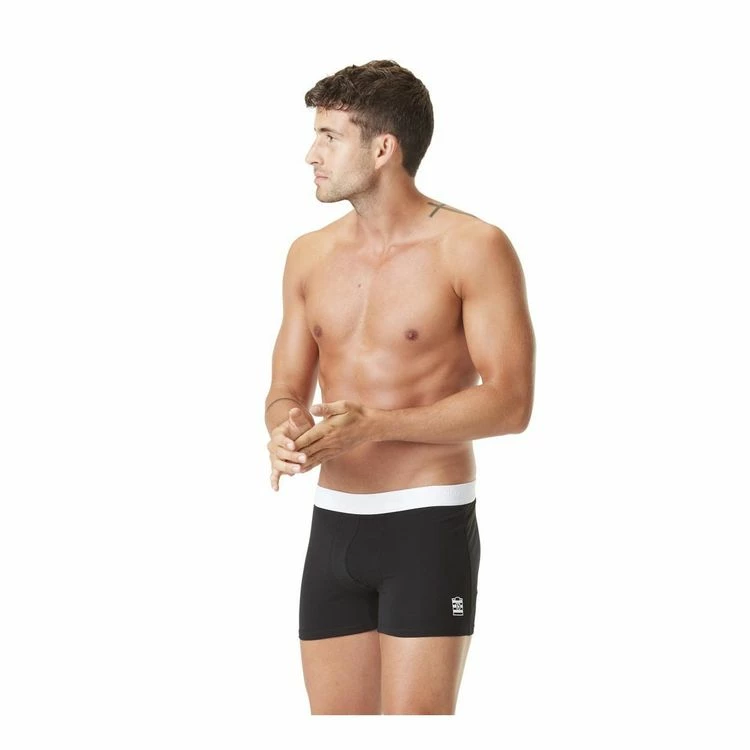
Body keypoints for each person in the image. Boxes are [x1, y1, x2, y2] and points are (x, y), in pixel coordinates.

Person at [264, 60, 535, 715]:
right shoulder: (308, 254)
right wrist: (285, 429)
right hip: (334, 524)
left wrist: (379, 425)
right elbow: (284, 388)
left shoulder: (472, 246)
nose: (311, 154)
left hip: (427, 523)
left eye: (329, 137)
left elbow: (512, 402)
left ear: (383, 148)